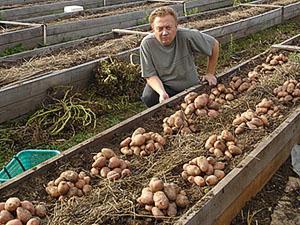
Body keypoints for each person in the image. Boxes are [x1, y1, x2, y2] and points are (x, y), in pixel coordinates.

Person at [140, 6, 219, 107]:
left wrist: (210, 73)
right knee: (149, 97)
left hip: (188, 85)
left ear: (176, 26)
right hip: (165, 85)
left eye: (168, 27)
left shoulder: (186, 36)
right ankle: (164, 107)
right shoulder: (147, 44)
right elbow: (150, 75)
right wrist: (161, 92)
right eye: (160, 28)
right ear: (153, 29)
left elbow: (214, 45)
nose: (164, 32)